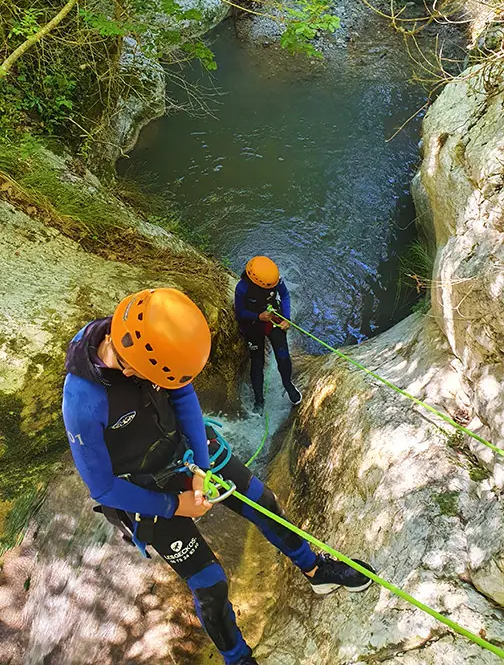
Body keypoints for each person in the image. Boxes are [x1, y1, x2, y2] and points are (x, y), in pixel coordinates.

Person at [62, 287, 374, 665]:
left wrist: (203, 470)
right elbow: (104, 486)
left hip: (189, 453)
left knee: (264, 502)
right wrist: (176, 504)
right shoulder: (84, 402)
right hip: (146, 487)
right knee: (211, 584)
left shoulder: (157, 345)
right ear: (130, 366)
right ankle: (238, 659)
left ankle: (314, 569)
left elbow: (182, 396)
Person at [235, 256, 302, 413]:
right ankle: (259, 400)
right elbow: (240, 312)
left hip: (273, 320)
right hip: (253, 325)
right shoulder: (243, 288)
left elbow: (284, 295)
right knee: (257, 362)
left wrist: (286, 318)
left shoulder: (275, 280)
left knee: (283, 356)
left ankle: (288, 384)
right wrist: (257, 316)